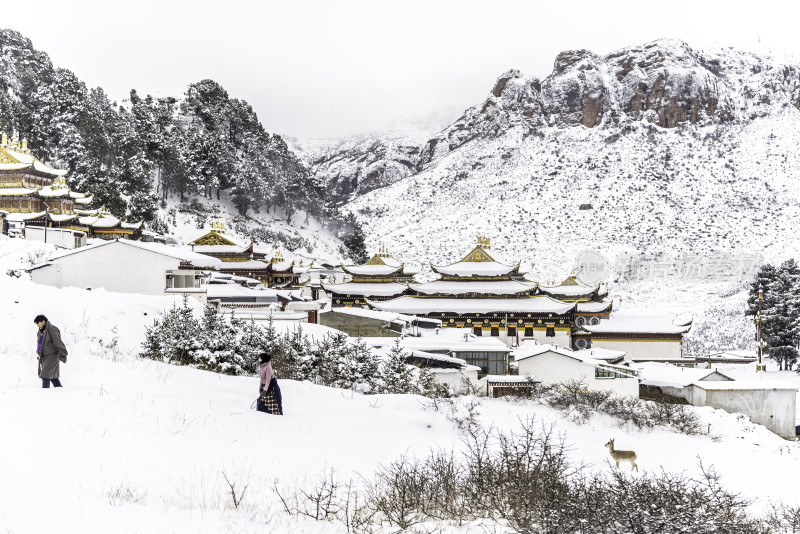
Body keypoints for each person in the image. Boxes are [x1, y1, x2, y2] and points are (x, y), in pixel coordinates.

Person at [34, 315, 68, 388]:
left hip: (52, 356)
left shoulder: (52, 329)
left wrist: (63, 353)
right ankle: (60, 390)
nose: (37, 325)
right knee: (53, 377)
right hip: (44, 357)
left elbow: (58, 341)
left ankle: (45, 393)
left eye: (38, 323)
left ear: (43, 322)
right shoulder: (40, 331)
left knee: (45, 375)